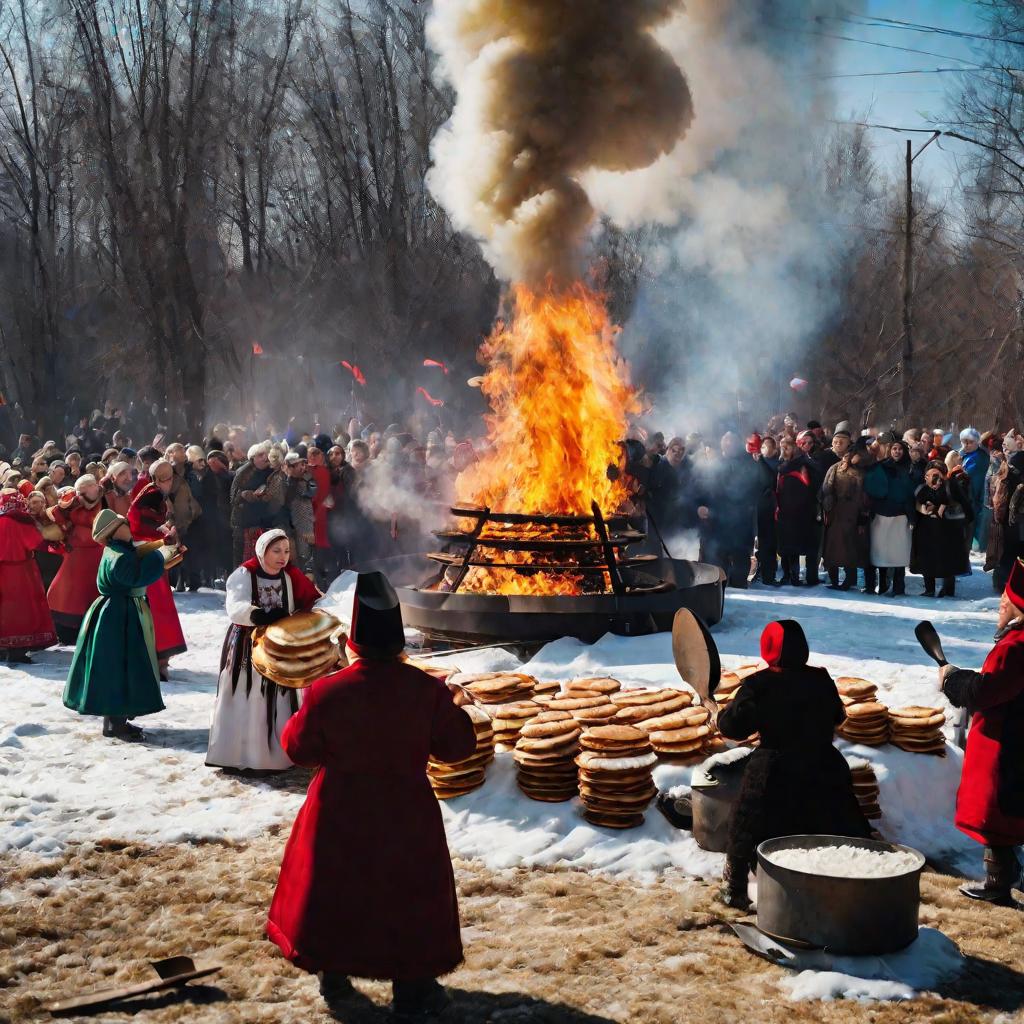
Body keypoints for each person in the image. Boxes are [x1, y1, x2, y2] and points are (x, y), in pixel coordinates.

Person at [267, 571, 476, 1018]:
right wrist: (455, 703)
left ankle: (335, 977)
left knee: (337, 889)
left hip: (340, 809)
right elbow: (458, 747)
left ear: (355, 638)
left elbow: (298, 749)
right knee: (407, 892)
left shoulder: (327, 690)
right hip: (406, 810)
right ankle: (414, 986)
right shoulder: (426, 689)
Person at [716, 620, 872, 909]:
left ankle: (734, 886)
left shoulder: (758, 685)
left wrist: (722, 715)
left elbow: (733, 727)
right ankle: (848, 888)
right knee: (839, 823)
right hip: (823, 764)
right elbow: (838, 717)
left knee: (745, 822)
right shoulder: (821, 678)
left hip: (775, 767)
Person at [939, 558, 1024, 906]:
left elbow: (987, 691)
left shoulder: (1016, 648)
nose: (1000, 605)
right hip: (1011, 740)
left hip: (1005, 745)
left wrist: (953, 680)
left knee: (996, 816)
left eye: (1006, 600)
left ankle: (998, 883)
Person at [206, 529, 320, 772]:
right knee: (249, 695)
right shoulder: (244, 574)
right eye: (276, 551)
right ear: (262, 551)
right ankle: (241, 755)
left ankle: (277, 755)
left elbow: (310, 599)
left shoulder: (290, 577)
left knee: (277, 698)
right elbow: (235, 606)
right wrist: (260, 615)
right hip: (248, 644)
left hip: (279, 645)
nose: (283, 556)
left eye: (287, 551)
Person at [62, 508, 167, 741]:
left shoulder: (120, 551)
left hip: (122, 613)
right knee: (118, 668)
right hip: (118, 617)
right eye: (124, 525)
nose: (129, 528)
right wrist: (158, 557)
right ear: (114, 531)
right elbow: (135, 577)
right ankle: (114, 724)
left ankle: (118, 720)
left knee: (122, 667)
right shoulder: (117, 556)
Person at [127, 459, 187, 676]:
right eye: (169, 477)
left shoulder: (150, 492)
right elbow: (142, 524)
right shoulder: (151, 494)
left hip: (150, 555)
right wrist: (165, 535)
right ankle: (156, 658)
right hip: (147, 557)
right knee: (156, 608)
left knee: (158, 607)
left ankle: (158, 658)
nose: (171, 481)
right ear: (161, 479)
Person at [695, 432, 760, 588]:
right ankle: (718, 593)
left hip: (739, 523)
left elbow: (755, 491)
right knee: (717, 565)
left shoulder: (748, 464)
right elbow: (701, 490)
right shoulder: (711, 465)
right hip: (715, 524)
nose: (729, 443)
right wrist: (700, 506)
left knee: (739, 563)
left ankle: (740, 591)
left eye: (732, 439)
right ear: (721, 442)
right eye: (726, 439)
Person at [46, 475, 105, 643]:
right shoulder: (73, 502)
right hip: (76, 556)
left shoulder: (105, 500)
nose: (97, 487)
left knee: (91, 593)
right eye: (93, 485)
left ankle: (92, 628)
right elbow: (56, 514)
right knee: (67, 595)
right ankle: (67, 632)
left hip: (97, 555)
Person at [0, 489, 58, 662]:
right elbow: (35, 542)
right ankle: (17, 650)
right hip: (21, 571)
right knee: (21, 609)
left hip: (2, 571)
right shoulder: (22, 521)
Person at [864, 435, 915, 596]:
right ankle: (883, 583)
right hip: (882, 514)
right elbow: (873, 487)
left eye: (900, 449)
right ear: (890, 450)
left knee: (899, 553)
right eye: (894, 448)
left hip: (901, 515)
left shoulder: (911, 468)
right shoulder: (881, 467)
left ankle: (899, 585)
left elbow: (912, 492)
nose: (897, 451)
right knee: (881, 552)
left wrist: (911, 515)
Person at [821, 437, 873, 590]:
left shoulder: (860, 473)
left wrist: (862, 517)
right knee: (832, 548)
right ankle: (834, 579)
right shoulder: (835, 468)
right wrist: (828, 502)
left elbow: (864, 497)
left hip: (852, 514)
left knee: (849, 548)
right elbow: (826, 487)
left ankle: (849, 579)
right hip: (835, 512)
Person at [911, 461, 970, 597]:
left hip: (948, 529)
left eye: (937, 473)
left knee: (948, 559)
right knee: (927, 558)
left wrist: (942, 508)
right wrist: (923, 509)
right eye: (931, 473)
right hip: (926, 529)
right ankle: (929, 588)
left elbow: (963, 506)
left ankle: (948, 589)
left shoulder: (951, 487)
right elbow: (917, 503)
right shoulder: (922, 487)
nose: (934, 476)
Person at [775, 436, 820, 586]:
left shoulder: (805, 463)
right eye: (782, 446)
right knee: (788, 546)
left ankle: (809, 576)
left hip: (804, 510)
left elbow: (814, 483)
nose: (784, 449)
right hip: (786, 510)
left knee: (806, 545)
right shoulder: (781, 464)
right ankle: (790, 575)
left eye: (787, 446)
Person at [958, 428, 990, 552]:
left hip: (974, 498)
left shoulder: (979, 457)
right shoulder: (965, 454)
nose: (966, 445)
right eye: (964, 442)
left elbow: (973, 480)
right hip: (966, 497)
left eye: (970, 442)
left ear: (976, 442)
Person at [753, 435, 780, 585]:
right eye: (763, 446)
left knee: (769, 543)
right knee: (759, 543)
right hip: (757, 507)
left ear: (774, 449)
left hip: (770, 508)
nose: (765, 449)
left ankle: (769, 575)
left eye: (768, 446)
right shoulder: (755, 462)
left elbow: (770, 479)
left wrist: (761, 462)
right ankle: (760, 571)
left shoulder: (776, 463)